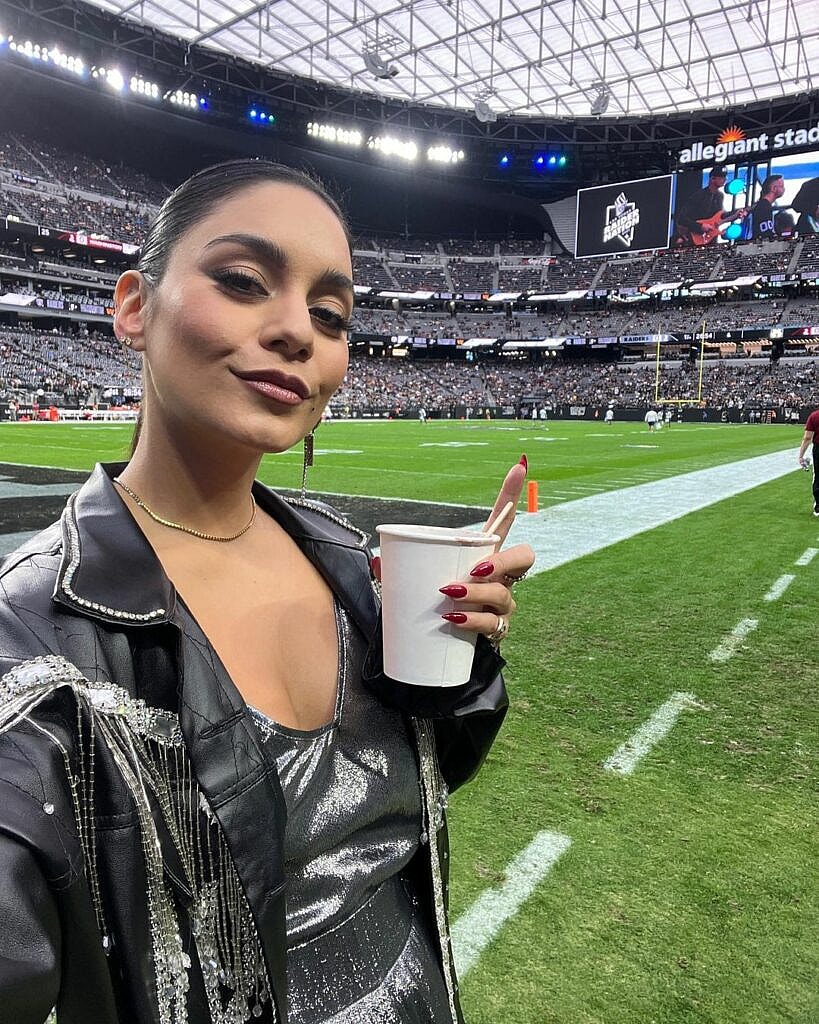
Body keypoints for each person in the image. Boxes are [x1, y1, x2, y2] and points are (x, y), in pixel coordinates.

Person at [0, 160, 535, 1024]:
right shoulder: (30, 633)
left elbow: (417, 787)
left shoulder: (343, 556)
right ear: (134, 307)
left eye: (331, 315)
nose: (297, 332)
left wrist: (460, 662)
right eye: (245, 281)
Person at [674, 168, 747, 245]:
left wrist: (737, 213)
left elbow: (720, 216)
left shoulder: (720, 196)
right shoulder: (699, 195)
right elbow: (682, 219)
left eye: (725, 177)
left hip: (710, 239)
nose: (725, 179)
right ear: (713, 179)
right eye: (721, 177)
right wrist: (700, 226)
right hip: (693, 238)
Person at [747, 174, 785, 240]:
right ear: (773, 189)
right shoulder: (764, 206)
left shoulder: (761, 205)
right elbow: (766, 233)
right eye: (781, 186)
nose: (784, 189)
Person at [797, 406, 819, 516]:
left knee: (818, 477)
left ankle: (818, 506)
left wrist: (801, 456)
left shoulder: (814, 416)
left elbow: (807, 438)